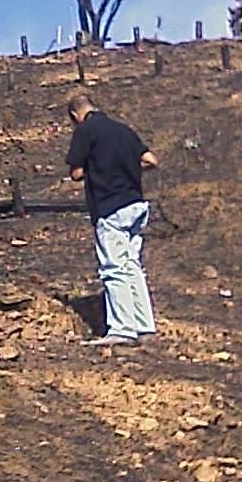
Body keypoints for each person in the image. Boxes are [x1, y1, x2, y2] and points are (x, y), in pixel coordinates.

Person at [65, 92, 159, 347]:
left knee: (114, 268)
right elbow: (151, 160)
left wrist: (98, 170)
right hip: (136, 205)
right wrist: (127, 168)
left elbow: (75, 173)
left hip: (110, 207)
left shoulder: (85, 130)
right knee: (132, 266)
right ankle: (144, 325)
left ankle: (122, 329)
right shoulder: (123, 130)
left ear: (75, 115)